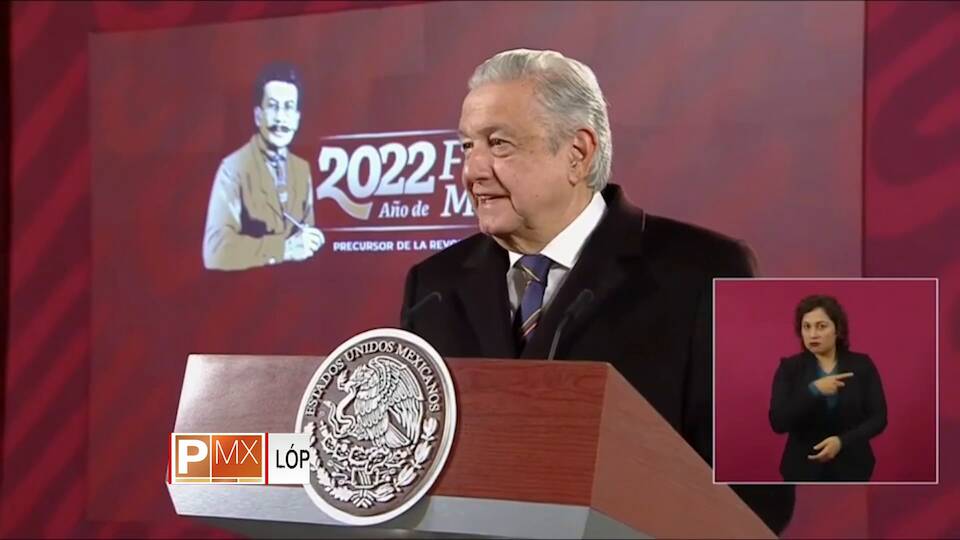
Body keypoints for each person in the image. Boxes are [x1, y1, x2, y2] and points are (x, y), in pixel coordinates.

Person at [400, 48, 794, 533]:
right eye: (467, 146)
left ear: (578, 153)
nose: (472, 171)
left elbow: (757, 491)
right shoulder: (434, 286)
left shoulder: (709, 271)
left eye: (498, 144)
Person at [202, 62, 324, 271]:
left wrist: (312, 241)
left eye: (288, 107)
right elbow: (215, 251)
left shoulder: (302, 169)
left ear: (297, 119)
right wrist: (284, 249)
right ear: (258, 115)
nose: (280, 119)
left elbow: (305, 236)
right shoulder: (233, 168)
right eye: (273, 106)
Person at [769, 294, 888, 482]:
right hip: (802, 470)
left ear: (837, 329)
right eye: (806, 327)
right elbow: (778, 422)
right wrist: (813, 391)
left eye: (821, 326)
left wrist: (842, 442)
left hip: (852, 468)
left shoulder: (861, 365)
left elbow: (879, 418)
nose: (813, 334)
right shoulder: (789, 368)